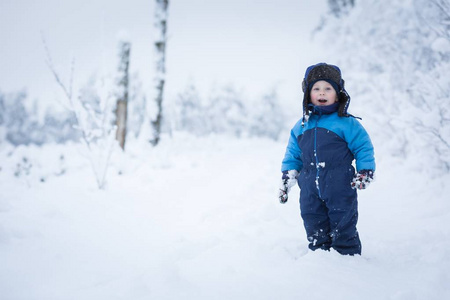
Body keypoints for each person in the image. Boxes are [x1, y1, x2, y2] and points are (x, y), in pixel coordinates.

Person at [279, 62, 375, 255]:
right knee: (312, 219)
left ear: (338, 93)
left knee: (343, 222)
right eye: (316, 88)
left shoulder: (347, 123)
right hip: (308, 187)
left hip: (340, 183)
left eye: (328, 88)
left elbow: (363, 147)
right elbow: (293, 154)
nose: (322, 93)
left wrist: (365, 171)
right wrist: (288, 175)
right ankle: (319, 256)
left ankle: (347, 256)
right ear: (308, 93)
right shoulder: (301, 126)